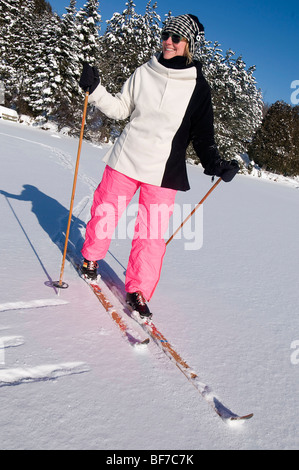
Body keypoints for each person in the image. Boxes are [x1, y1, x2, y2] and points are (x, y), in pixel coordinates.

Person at [79, 13, 239, 318]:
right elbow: (121, 108)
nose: (168, 42)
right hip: (126, 158)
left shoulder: (198, 88)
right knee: (105, 211)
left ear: (188, 44)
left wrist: (216, 164)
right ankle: (91, 257)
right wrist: (96, 89)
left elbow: (203, 136)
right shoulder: (144, 72)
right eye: (165, 35)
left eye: (176, 38)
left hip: (164, 171)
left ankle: (137, 290)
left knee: (151, 236)